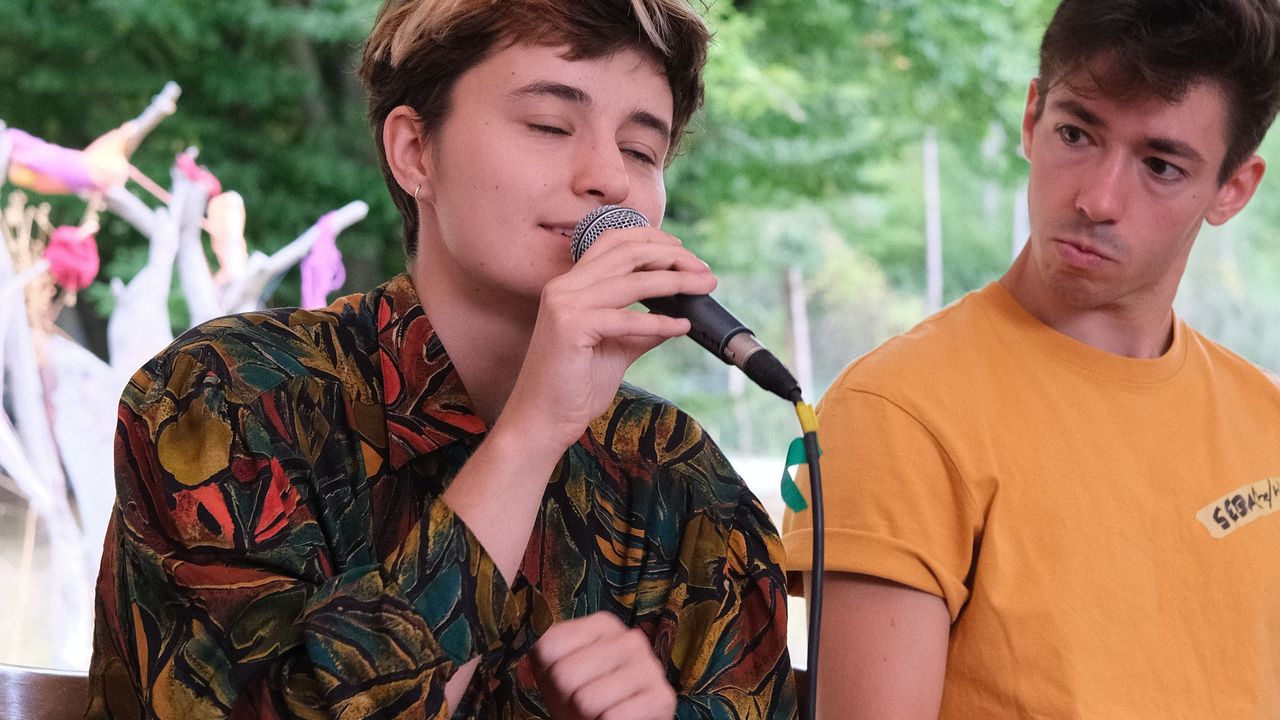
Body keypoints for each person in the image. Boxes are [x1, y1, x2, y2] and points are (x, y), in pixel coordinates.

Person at [87, 1, 797, 718]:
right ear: (415, 153)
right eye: (550, 126)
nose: (609, 177)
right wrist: (527, 438)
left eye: (643, 150)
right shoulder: (228, 395)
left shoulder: (677, 472)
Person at [782, 0, 1280, 717]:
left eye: (1161, 165)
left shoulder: (1262, 417)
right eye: (1077, 132)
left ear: (1232, 189)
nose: (1097, 198)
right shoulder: (896, 414)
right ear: (1030, 117)